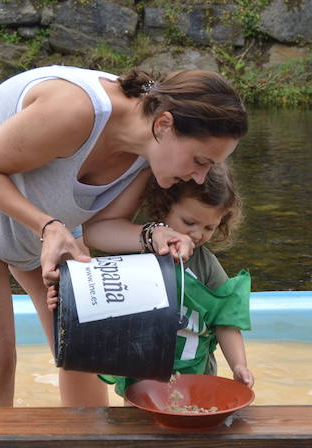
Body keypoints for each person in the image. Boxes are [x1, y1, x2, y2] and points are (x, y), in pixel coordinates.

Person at [0, 65, 248, 408]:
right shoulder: (76, 110)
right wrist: (48, 227)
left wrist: (153, 233)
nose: (201, 179)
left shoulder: (149, 154)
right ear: (164, 124)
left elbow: (99, 227)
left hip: (47, 212)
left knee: (86, 346)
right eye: (200, 161)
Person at [95, 165, 254, 398]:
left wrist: (238, 365)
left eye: (209, 227)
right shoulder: (135, 256)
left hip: (197, 378)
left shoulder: (206, 266)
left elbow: (226, 322)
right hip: (140, 379)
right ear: (164, 207)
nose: (198, 235)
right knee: (137, 428)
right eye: (189, 222)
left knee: (194, 426)